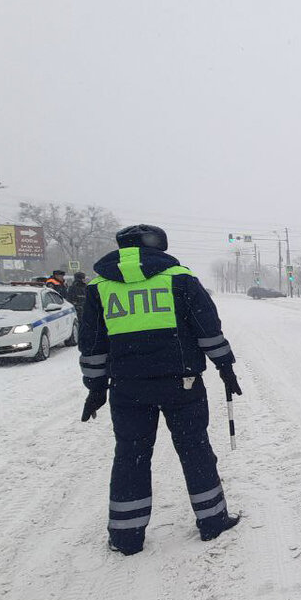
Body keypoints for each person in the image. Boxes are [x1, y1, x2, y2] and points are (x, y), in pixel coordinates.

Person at [78, 224, 242, 556]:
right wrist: (225, 366)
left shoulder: (99, 287)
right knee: (195, 450)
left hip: (127, 388)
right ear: (158, 247)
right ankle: (212, 522)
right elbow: (207, 329)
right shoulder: (179, 278)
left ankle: (126, 537)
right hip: (182, 383)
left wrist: (96, 387)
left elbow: (92, 345)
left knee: (131, 456)